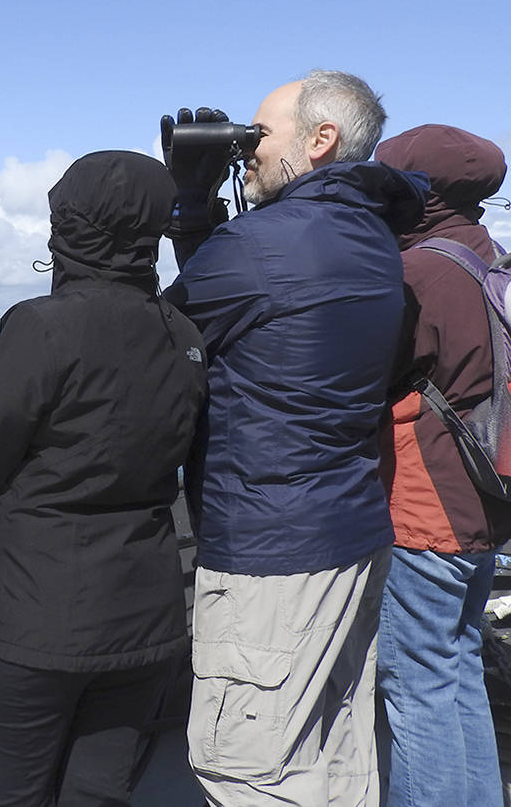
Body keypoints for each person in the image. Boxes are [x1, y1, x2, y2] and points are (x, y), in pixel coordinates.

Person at [161, 70, 428, 805]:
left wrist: (186, 202)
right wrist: (204, 207)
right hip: (348, 531)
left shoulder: (267, 245)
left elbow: (159, 333)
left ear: (320, 140)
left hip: (271, 551)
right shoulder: (371, 237)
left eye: (258, 135)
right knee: (334, 752)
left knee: (247, 768)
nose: (244, 150)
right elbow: (237, 297)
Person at [0, 150, 207, 807]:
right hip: (145, 623)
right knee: (98, 794)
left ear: (66, 226)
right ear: (153, 231)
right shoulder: (184, 334)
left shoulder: (43, 326)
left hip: (37, 625)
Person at [372, 123, 511, 807]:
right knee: (457, 672)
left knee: (417, 689)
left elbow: (368, 376)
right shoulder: (495, 260)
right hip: (484, 501)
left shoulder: (420, 270)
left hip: (423, 508)